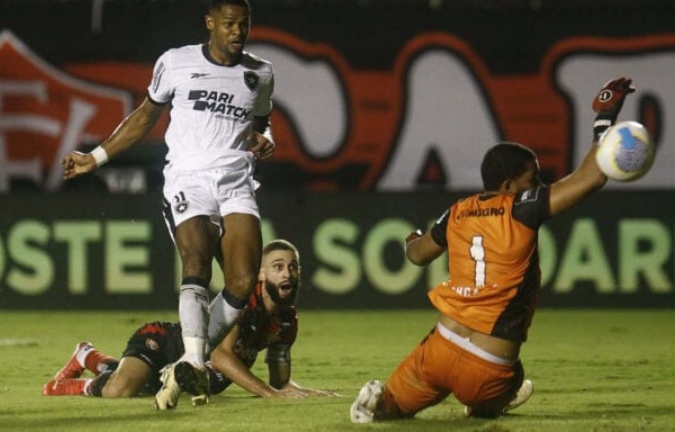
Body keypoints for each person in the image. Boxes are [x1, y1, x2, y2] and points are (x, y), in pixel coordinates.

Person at [350, 77, 637, 423]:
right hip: (489, 366)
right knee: (509, 382)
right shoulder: (521, 208)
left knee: (392, 410)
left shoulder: (457, 211)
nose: (539, 186)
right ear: (507, 186)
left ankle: (375, 404)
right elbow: (592, 177)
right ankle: (485, 403)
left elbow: (418, 254)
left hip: (439, 350)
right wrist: (606, 116)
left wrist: (411, 238)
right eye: (533, 179)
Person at [61, 0, 276, 409]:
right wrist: (96, 157)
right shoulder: (176, 62)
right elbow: (144, 116)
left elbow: (264, 123)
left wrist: (266, 140)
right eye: (229, 23)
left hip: (236, 182)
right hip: (187, 179)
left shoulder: (261, 73)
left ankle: (185, 360)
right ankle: (194, 359)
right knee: (194, 261)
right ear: (210, 23)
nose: (238, 31)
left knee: (243, 281)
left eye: (244, 23)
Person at [43, 240, 336, 401]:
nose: (287, 273)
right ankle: (64, 387)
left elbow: (280, 381)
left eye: (293, 267)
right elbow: (221, 358)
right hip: (163, 344)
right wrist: (269, 394)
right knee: (121, 391)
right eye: (278, 267)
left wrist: (301, 391)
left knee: (144, 387)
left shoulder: (287, 321)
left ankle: (88, 356)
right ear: (261, 274)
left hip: (192, 374)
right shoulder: (244, 302)